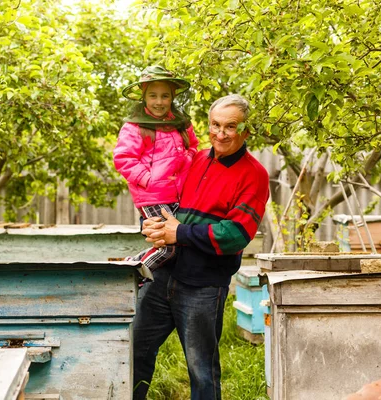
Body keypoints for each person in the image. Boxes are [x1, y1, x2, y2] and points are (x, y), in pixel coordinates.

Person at [132, 94, 270, 400]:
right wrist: (154, 224)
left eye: (230, 127)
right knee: (133, 353)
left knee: (201, 370)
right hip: (162, 276)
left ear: (246, 130)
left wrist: (179, 233)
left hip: (203, 286)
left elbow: (235, 234)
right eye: (215, 125)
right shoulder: (194, 160)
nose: (220, 134)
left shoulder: (254, 174)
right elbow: (169, 205)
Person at [113, 65, 199, 277]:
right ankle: (132, 272)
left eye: (164, 96)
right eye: (153, 95)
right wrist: (149, 179)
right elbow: (123, 158)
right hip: (152, 197)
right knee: (167, 248)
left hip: (178, 195)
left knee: (174, 243)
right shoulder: (135, 127)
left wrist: (187, 160)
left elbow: (193, 147)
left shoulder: (180, 124)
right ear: (144, 96)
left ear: (172, 97)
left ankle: (134, 266)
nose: (159, 102)